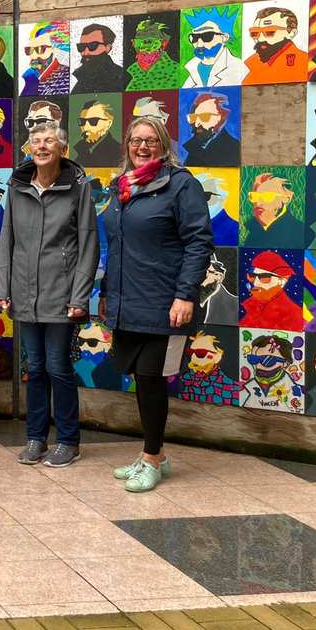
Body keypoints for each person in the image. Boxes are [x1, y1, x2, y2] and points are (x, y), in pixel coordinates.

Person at [101, 115, 212, 493]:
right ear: (127, 146)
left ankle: (151, 457)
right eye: (135, 141)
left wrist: (184, 295)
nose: (142, 147)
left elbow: (199, 243)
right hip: (127, 303)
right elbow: (116, 247)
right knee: (140, 379)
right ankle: (155, 455)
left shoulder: (182, 186)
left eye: (150, 140)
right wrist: (107, 298)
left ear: (164, 145)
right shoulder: (122, 187)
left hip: (166, 305)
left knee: (152, 379)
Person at [0, 122, 99, 469]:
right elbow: (6, 241)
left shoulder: (78, 187)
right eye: (36, 141)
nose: (42, 147)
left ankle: (68, 440)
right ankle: (36, 438)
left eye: (49, 141)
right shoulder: (17, 186)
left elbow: (88, 245)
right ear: (30, 148)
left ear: (62, 149)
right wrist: (4, 289)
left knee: (58, 367)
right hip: (24, 295)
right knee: (35, 368)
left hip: (62, 295)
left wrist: (80, 296)